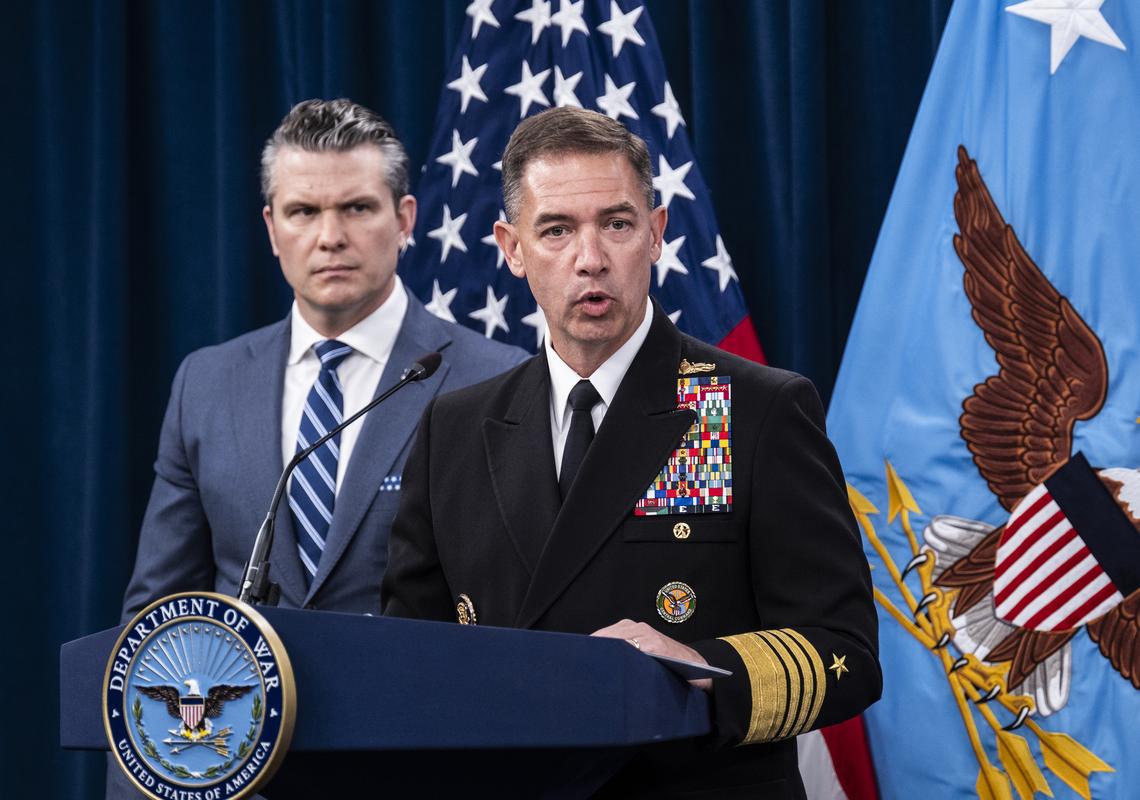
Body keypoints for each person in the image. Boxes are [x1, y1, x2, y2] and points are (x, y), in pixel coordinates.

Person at [382, 107, 880, 797]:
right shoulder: (455, 430)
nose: (591, 258)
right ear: (512, 248)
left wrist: (703, 670)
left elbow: (846, 653)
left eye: (616, 223)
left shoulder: (754, 410)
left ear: (656, 234)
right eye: (557, 230)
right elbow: (413, 660)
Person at [118, 98, 526, 618]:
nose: (330, 238)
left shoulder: (495, 377)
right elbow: (158, 612)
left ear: (404, 220)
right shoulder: (205, 384)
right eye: (303, 212)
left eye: (357, 208)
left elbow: (511, 608)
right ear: (271, 229)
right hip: (247, 697)